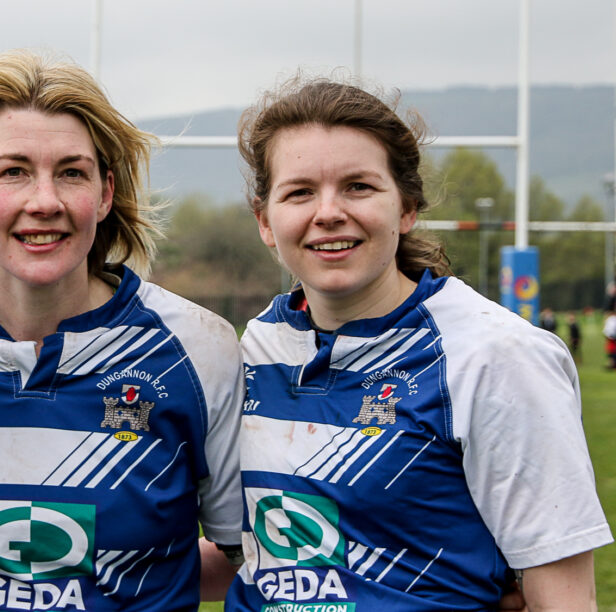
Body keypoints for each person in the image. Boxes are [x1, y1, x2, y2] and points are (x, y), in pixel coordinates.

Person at [0, 50, 244, 610]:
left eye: (72, 173)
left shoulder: (199, 349)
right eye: (14, 172)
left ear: (104, 194)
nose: (45, 201)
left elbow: (245, 552)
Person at [227, 78, 612, 610]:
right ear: (265, 221)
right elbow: (257, 552)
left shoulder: (494, 355)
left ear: (406, 208)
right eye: (300, 192)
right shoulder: (257, 346)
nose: (328, 212)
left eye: (358, 186)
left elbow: (564, 601)